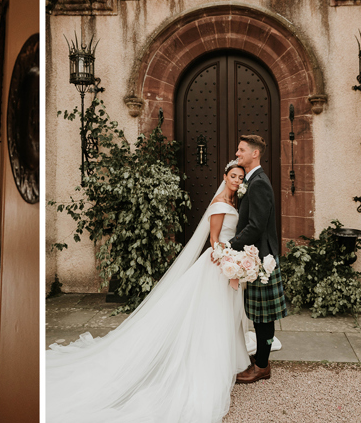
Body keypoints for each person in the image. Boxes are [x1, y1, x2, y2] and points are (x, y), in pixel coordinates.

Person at [46, 161, 251, 423]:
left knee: (220, 314)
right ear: (224, 176)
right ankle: (208, 361)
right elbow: (214, 241)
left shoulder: (235, 202)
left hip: (228, 266)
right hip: (218, 265)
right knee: (210, 314)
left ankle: (226, 356)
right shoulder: (221, 204)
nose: (236, 180)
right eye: (233, 176)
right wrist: (229, 263)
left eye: (240, 177)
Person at [230, 135, 288, 384]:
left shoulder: (259, 183)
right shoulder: (252, 181)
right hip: (257, 257)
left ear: (255, 154)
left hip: (262, 258)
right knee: (259, 314)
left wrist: (230, 246)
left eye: (241, 149)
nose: (237, 152)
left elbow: (256, 225)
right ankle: (261, 360)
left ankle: (262, 366)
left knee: (264, 316)